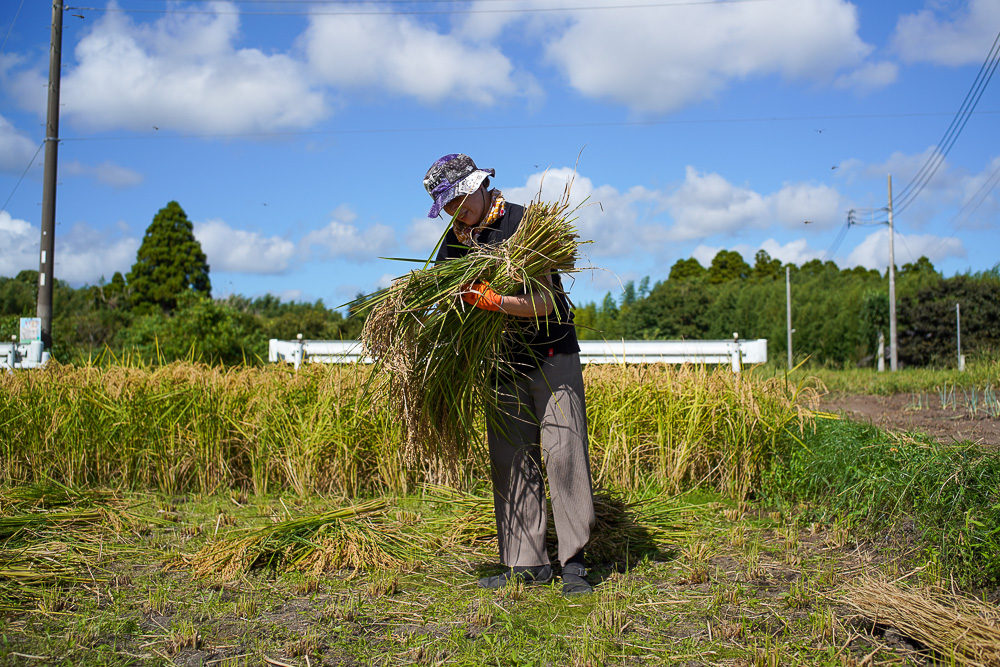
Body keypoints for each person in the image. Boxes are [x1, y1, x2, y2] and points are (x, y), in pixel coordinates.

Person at [422, 153, 596, 596]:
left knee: (564, 453)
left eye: (459, 198)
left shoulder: (523, 224)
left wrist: (494, 302)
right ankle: (526, 563)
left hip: (550, 353)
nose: (454, 209)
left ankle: (574, 562)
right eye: (446, 205)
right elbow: (448, 305)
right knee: (510, 458)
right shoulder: (453, 244)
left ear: (479, 185)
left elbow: (546, 303)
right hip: (499, 363)